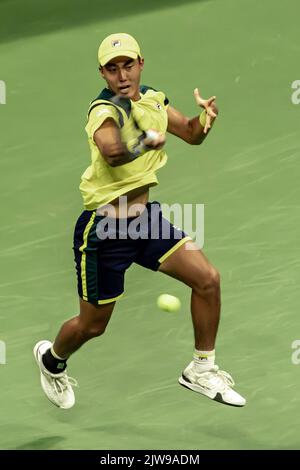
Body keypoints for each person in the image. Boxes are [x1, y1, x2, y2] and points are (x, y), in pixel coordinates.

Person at [33, 33, 246, 409]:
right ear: (102, 73)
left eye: (128, 65)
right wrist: (144, 143)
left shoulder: (154, 100)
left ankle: (201, 369)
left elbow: (192, 135)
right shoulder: (104, 110)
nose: (122, 75)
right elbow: (113, 153)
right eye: (112, 69)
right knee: (92, 326)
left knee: (208, 279)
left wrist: (206, 118)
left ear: (141, 64)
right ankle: (52, 361)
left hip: (145, 222)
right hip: (103, 230)